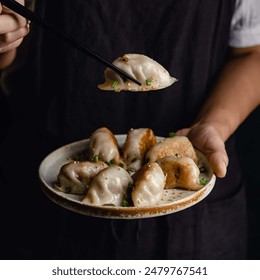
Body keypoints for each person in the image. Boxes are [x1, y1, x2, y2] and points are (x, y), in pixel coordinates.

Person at [0, 0, 260, 260]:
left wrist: (213, 124)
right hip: (40, 210)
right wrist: (6, 34)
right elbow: (12, 45)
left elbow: (252, 52)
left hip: (197, 231)